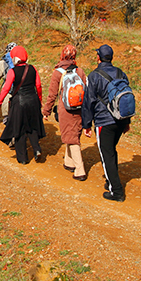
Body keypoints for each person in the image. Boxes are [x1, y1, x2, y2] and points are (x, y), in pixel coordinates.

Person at [82, 45, 132, 202]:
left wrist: (86, 124)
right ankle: (111, 180)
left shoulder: (94, 76)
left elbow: (88, 101)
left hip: (104, 121)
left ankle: (116, 191)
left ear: (98, 57)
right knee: (111, 151)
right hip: (120, 119)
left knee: (107, 155)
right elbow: (126, 97)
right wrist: (127, 122)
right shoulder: (120, 73)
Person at [42, 45, 88, 181]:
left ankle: (80, 170)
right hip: (79, 108)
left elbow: (52, 95)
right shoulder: (80, 71)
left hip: (65, 109)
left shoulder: (58, 72)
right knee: (72, 132)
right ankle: (69, 161)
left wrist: (46, 111)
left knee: (71, 137)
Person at [0, 46, 45, 164]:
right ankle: (37, 149)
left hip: (19, 102)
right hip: (33, 100)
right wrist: (39, 100)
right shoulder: (33, 68)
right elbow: (38, 85)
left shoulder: (12, 71)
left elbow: (6, 88)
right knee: (32, 126)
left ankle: (23, 158)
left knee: (19, 129)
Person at [0, 42, 18, 124]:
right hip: (22, 92)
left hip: (8, 92)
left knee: (8, 118)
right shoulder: (24, 62)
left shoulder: (3, 63)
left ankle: (7, 120)